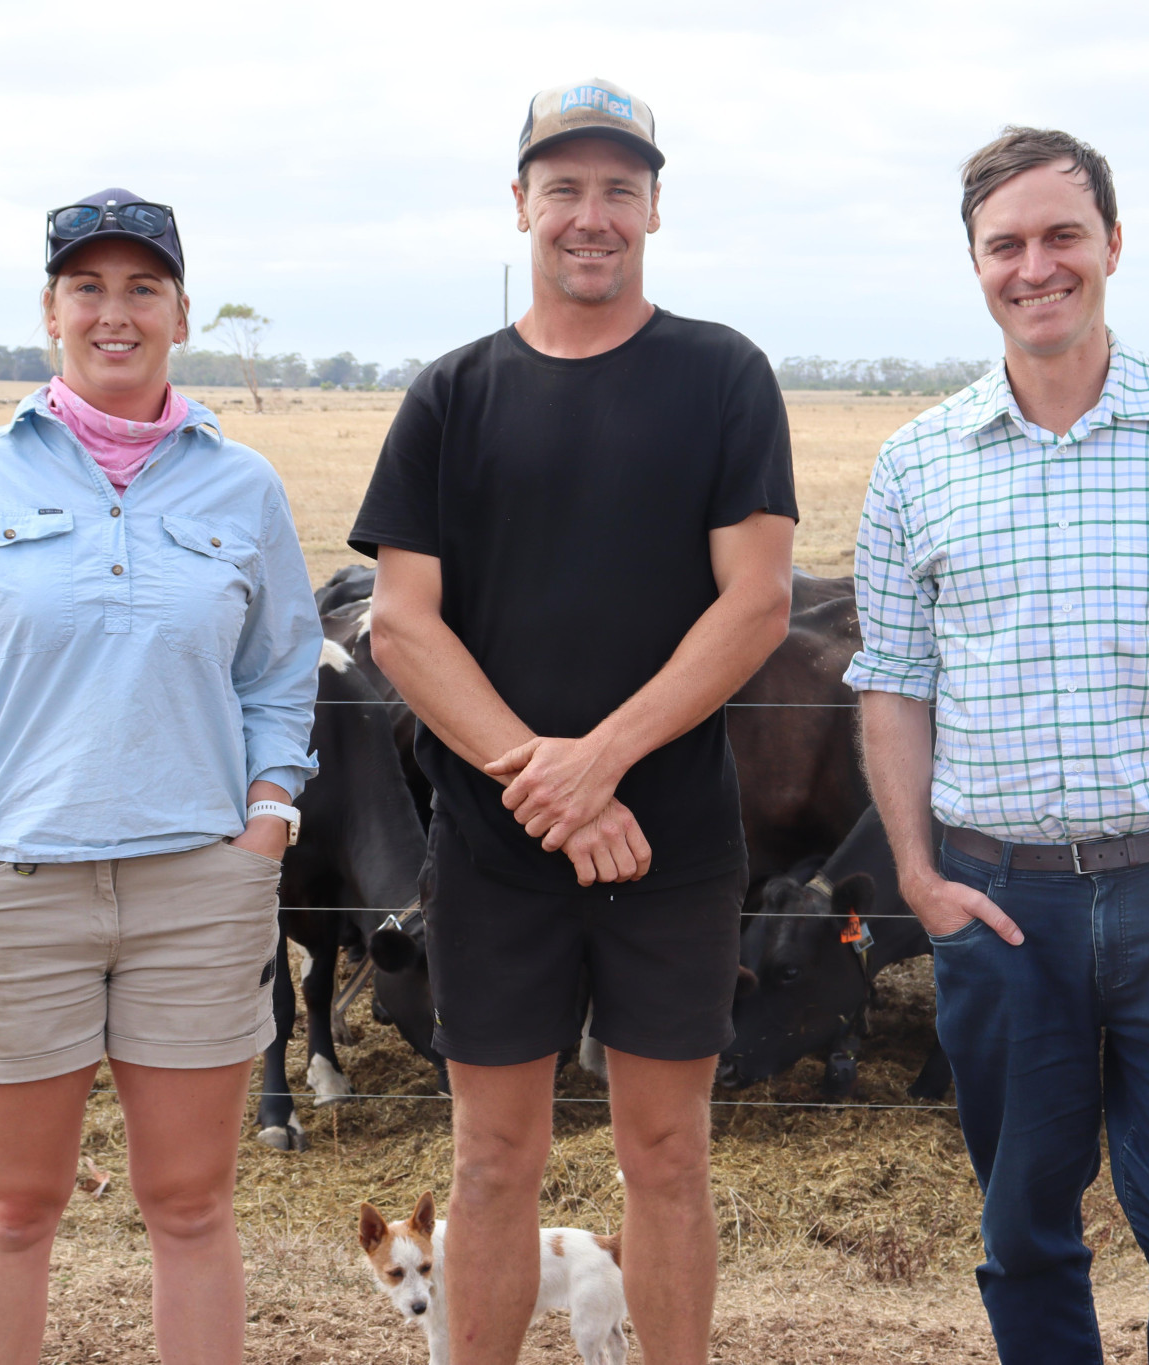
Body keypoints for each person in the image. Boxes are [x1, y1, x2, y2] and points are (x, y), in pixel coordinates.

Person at [845, 129, 1149, 1365]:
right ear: (974, 264)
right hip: (996, 903)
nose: (1035, 265)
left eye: (1062, 236)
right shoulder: (913, 465)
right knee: (1023, 1228)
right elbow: (892, 684)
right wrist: (918, 877)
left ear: (1112, 242)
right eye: (1006, 244)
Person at [350, 78, 796, 1365]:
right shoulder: (452, 395)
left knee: (666, 1154)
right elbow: (401, 626)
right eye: (563, 188)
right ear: (520, 205)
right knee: (493, 1160)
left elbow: (756, 603)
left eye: (617, 188)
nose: (589, 214)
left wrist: (599, 764)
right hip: (494, 851)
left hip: (670, 845)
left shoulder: (720, 376)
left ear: (653, 206)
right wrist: (539, 784)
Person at [0, 189, 322, 1365]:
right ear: (51, 310)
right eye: (87, 288)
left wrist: (264, 823)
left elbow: (279, 677)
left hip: (195, 894)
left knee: (192, 1206)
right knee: (13, 1210)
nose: (113, 313)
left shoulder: (242, 488)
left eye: (140, 288)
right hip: (12, 887)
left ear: (177, 311)